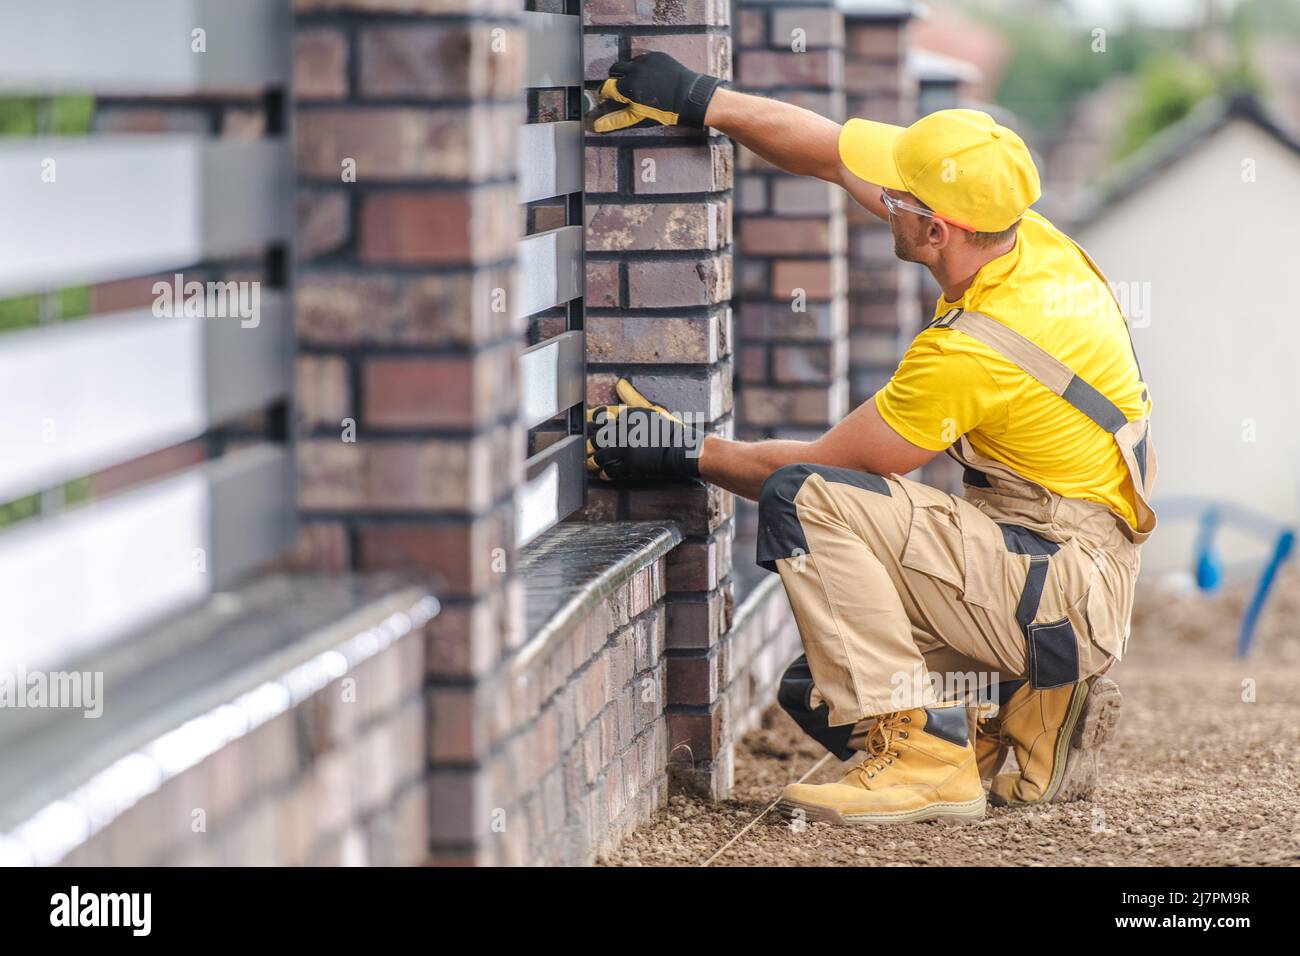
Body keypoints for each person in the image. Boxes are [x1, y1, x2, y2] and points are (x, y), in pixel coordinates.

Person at [588, 53, 1155, 825]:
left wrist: (683, 451)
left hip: (1061, 584)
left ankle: (929, 760)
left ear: (932, 228)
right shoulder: (1018, 236)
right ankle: (1027, 727)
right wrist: (701, 99)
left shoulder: (975, 349)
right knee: (818, 688)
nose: (877, 198)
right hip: (1057, 558)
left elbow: (823, 474)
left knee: (804, 500)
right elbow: (827, 150)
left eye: (895, 198)